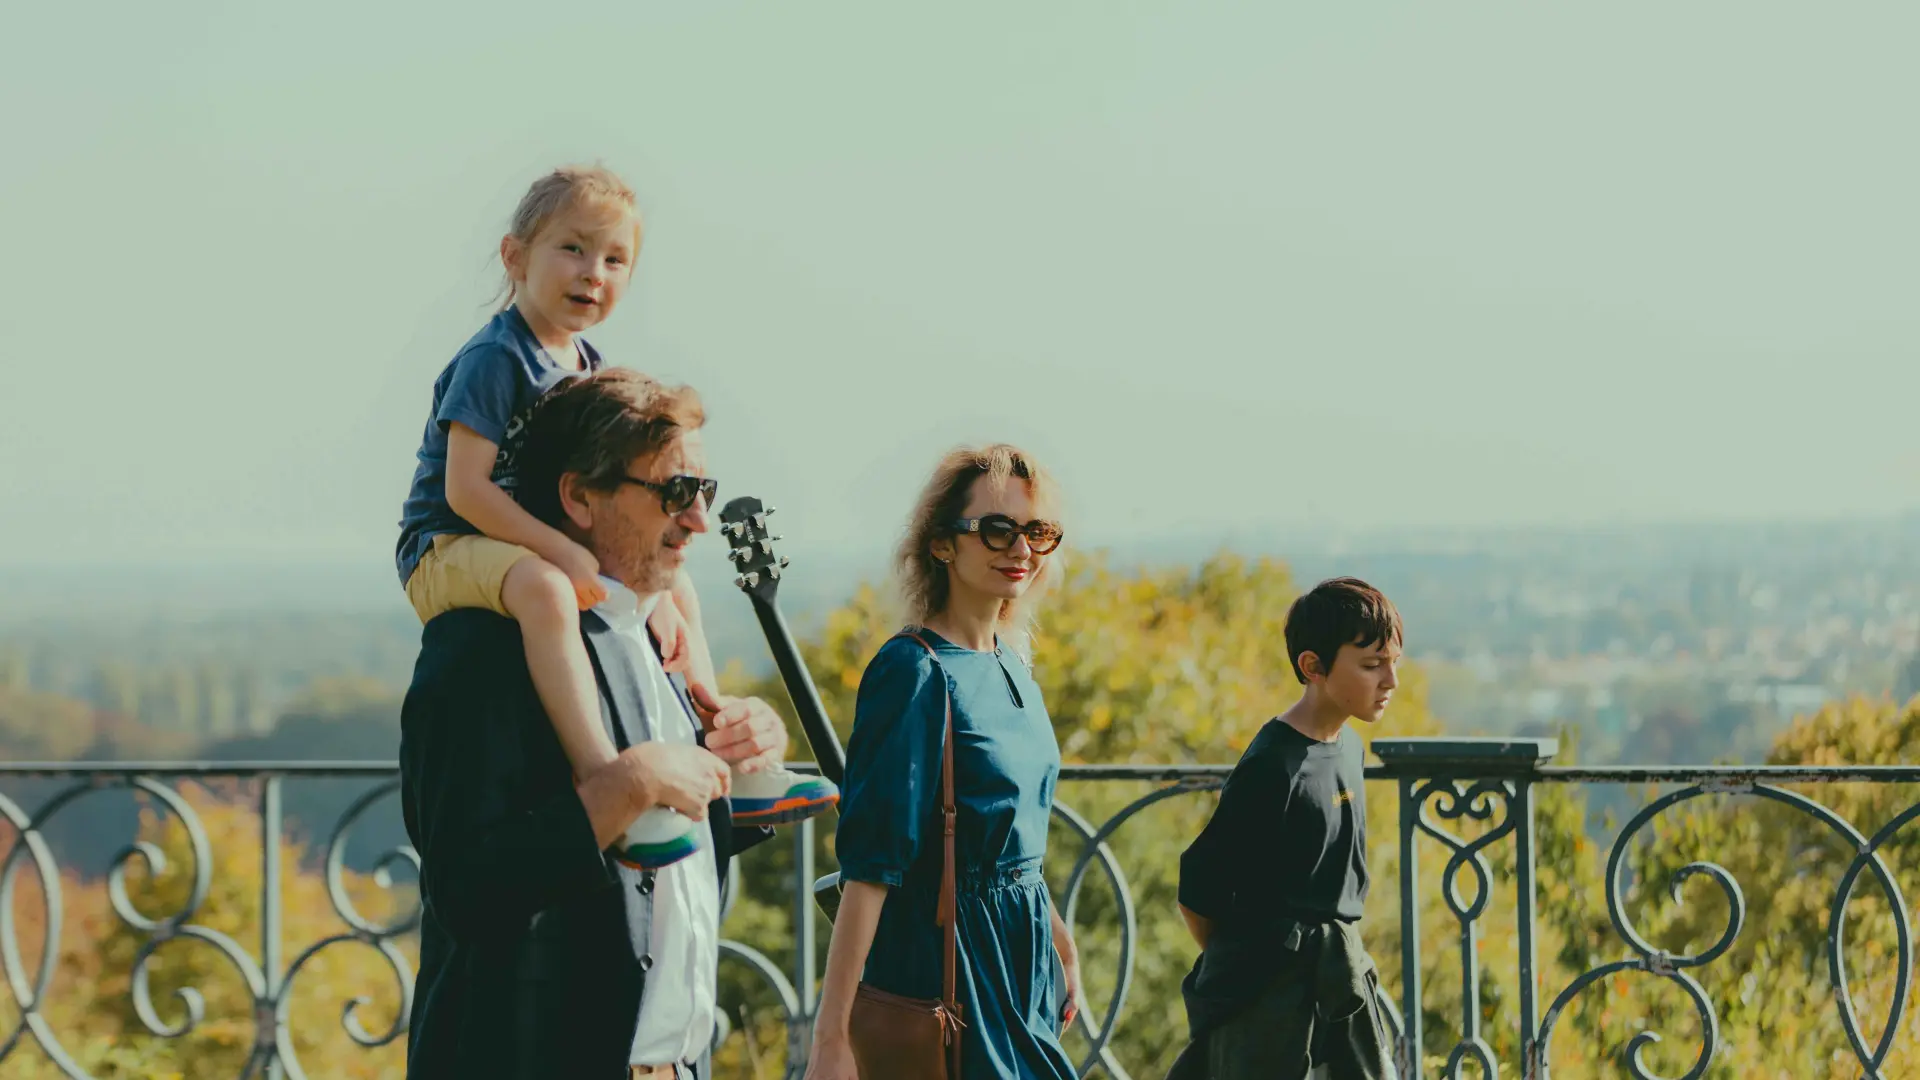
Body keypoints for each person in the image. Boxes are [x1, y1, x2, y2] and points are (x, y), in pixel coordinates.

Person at [394, 166, 833, 865]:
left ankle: (723, 752)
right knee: (544, 590)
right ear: (514, 257)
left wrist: (638, 590)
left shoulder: (586, 363)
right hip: (447, 546)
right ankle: (602, 770)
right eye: (572, 248)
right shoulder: (494, 357)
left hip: (518, 544)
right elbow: (465, 492)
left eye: (615, 258)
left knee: (673, 586)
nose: (592, 272)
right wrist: (563, 553)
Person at [401, 368, 801, 1078]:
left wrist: (741, 761)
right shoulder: (483, 650)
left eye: (702, 490)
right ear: (579, 497)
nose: (700, 519)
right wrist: (628, 786)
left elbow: (655, 861)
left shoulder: (658, 637)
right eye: (675, 492)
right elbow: (467, 893)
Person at [806, 445, 1083, 1080]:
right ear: (941, 545)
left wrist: (1059, 943)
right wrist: (834, 1038)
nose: (1021, 549)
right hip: (951, 972)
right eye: (996, 528)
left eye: (1036, 531)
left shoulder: (1013, 666)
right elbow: (870, 867)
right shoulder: (914, 671)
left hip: (1025, 965)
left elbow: (1014, 840)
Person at [1165, 577, 1404, 1080]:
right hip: (1269, 999)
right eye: (1371, 665)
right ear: (1312, 667)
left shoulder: (1351, 747)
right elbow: (1198, 890)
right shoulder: (1274, 766)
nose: (1390, 681)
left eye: (1393, 663)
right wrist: (1257, 963)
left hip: (1341, 976)